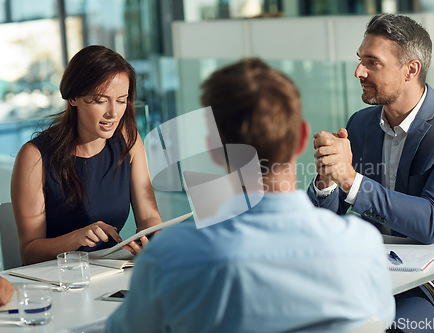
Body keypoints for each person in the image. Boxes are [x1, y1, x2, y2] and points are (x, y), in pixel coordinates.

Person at [106, 58, 395, 332]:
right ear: (303, 137)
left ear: (214, 149)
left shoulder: (170, 259)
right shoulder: (360, 245)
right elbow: (379, 318)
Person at [309, 13, 434, 332]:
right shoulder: (361, 124)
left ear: (411, 69)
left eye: (372, 62)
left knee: (388, 328)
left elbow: (431, 222)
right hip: (378, 276)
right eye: (360, 59)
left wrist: (350, 180)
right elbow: (327, 219)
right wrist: (327, 181)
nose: (359, 71)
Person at [11, 45, 162, 265]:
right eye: (101, 100)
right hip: (59, 279)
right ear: (73, 98)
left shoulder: (128, 140)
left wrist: (151, 241)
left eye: (121, 100)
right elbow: (29, 252)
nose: (113, 113)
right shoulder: (34, 156)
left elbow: (149, 216)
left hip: (110, 271)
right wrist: (76, 238)